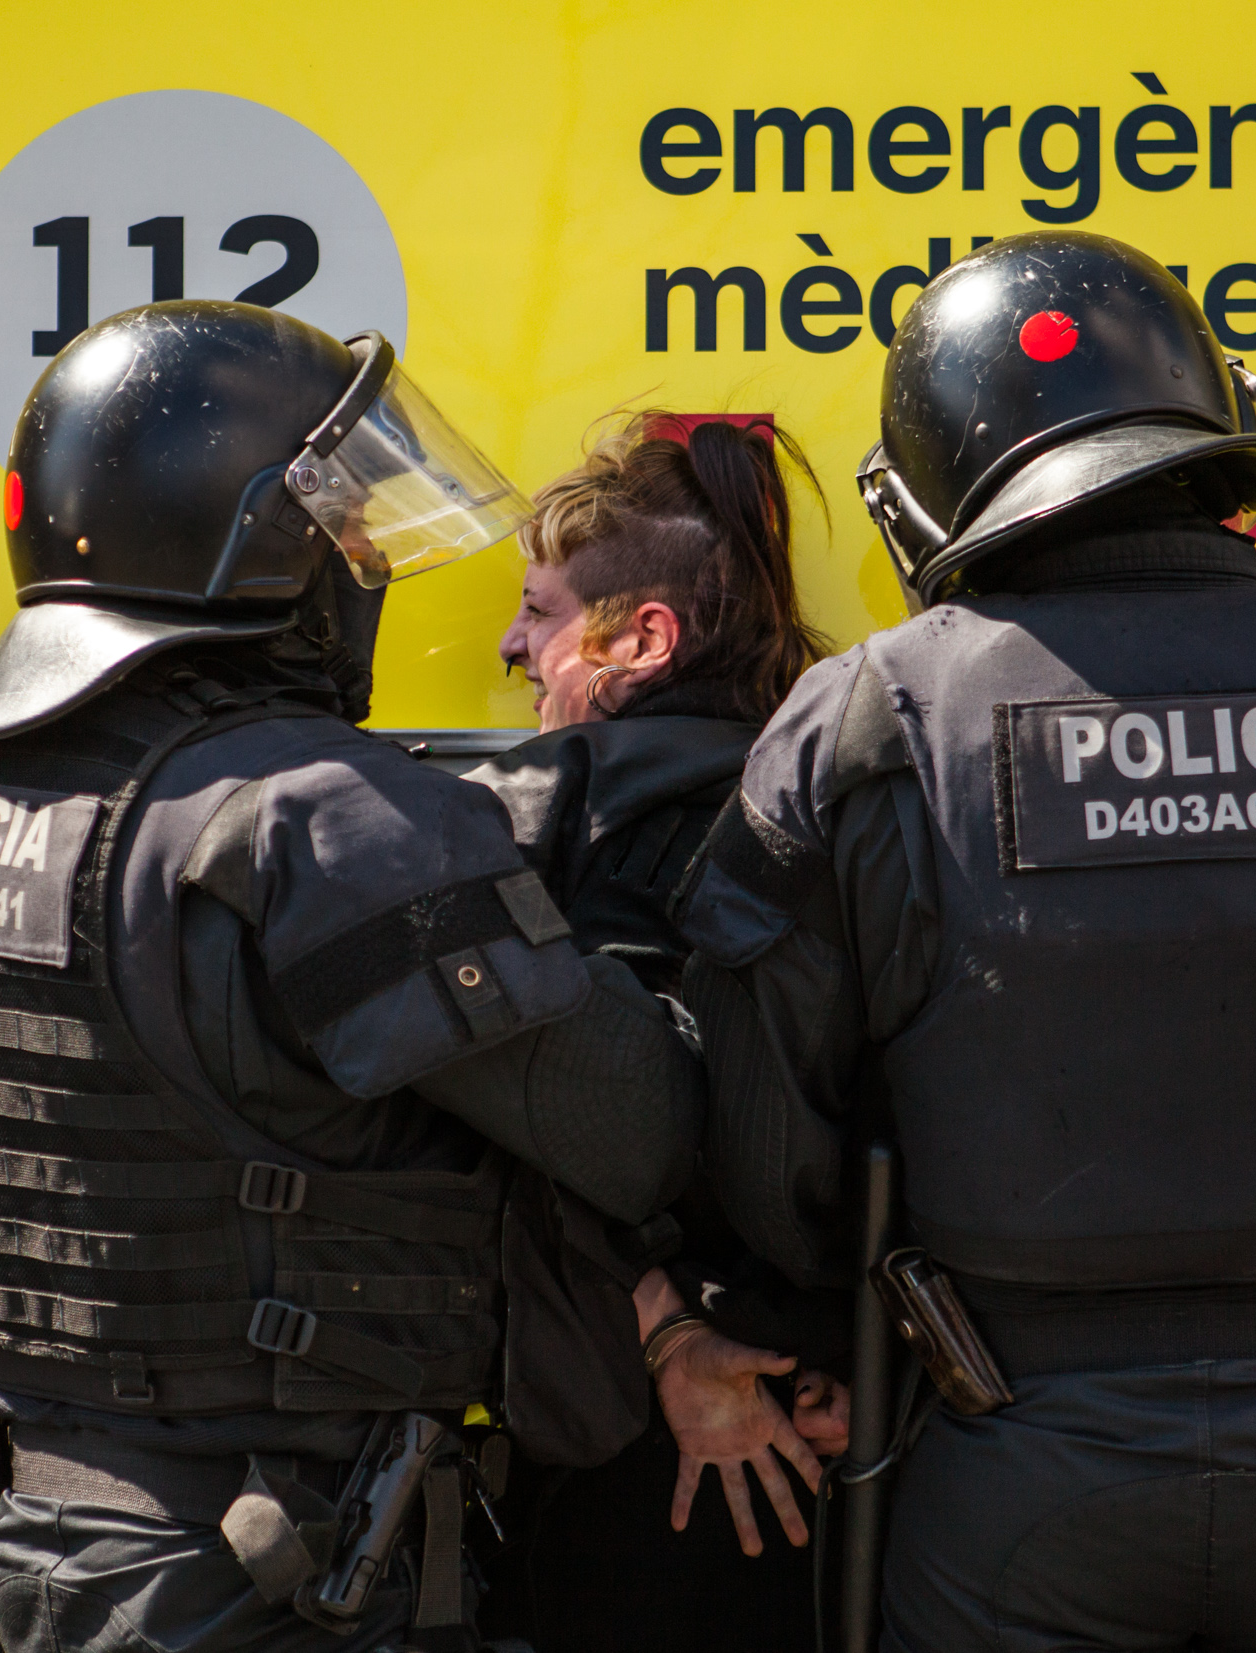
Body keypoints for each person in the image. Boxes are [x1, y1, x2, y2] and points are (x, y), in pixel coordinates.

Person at [674, 232, 1256, 1653]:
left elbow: (764, 1136)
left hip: (1016, 1456)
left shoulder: (871, 719)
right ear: (1215, 428)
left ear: (917, 494)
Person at [0, 300, 707, 1653]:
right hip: (271, 1573)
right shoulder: (322, 816)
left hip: (36, 1547)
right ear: (257, 539)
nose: (366, 561)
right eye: (345, 528)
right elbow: (640, 1128)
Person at [466, 413, 843, 1653]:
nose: (512, 644)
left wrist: (671, 1336)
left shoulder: (556, 830)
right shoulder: (848, 801)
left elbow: (512, 1137)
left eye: (537, 609)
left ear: (641, 639)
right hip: (837, 1441)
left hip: (637, 1456)